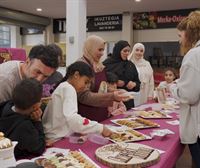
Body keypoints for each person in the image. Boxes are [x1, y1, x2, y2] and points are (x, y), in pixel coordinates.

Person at [42, 61, 112, 142]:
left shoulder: (64, 86)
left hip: (55, 135)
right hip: (56, 139)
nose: (86, 87)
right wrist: (100, 128)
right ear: (76, 75)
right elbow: (72, 119)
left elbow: (67, 118)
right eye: (85, 82)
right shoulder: (68, 88)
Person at [170, 11, 200, 168]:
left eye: (180, 36)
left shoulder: (193, 55)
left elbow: (188, 96)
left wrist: (173, 87)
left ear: (188, 34)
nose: (179, 41)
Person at [77, 35, 129, 122]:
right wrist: (112, 96)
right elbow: (83, 96)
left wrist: (115, 91)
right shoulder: (81, 66)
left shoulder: (98, 65)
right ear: (90, 48)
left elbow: (101, 87)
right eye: (99, 50)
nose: (102, 53)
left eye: (103, 50)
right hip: (88, 116)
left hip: (101, 113)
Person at [0, 78, 45, 159]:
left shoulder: (6, 105)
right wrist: (37, 121)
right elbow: (39, 148)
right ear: (36, 106)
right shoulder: (25, 126)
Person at [103, 40, 141, 109]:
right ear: (118, 50)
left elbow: (138, 83)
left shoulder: (130, 65)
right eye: (125, 51)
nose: (127, 53)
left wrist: (134, 84)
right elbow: (101, 82)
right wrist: (114, 83)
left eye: (128, 51)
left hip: (128, 101)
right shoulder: (107, 64)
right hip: (112, 101)